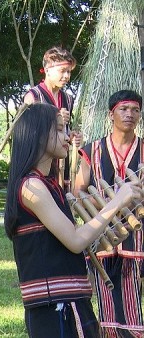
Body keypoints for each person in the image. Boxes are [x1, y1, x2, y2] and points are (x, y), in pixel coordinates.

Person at [4, 103, 142, 337]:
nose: (67, 136)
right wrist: (117, 201)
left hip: (70, 300)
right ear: (37, 135)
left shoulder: (49, 185)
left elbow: (70, 242)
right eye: (59, 129)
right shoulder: (31, 186)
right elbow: (75, 241)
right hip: (55, 306)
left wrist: (104, 235)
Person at [74, 90, 144, 336]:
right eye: (124, 109)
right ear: (110, 114)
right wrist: (105, 203)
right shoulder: (92, 150)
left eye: (135, 110)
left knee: (133, 300)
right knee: (106, 303)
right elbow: (77, 190)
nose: (130, 114)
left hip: (137, 240)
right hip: (102, 238)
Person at [24, 46, 78, 190]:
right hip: (38, 166)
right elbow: (27, 134)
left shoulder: (68, 99)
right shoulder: (33, 96)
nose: (66, 76)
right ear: (47, 69)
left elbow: (64, 132)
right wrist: (56, 118)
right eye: (62, 71)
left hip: (61, 168)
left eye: (69, 72)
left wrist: (71, 137)